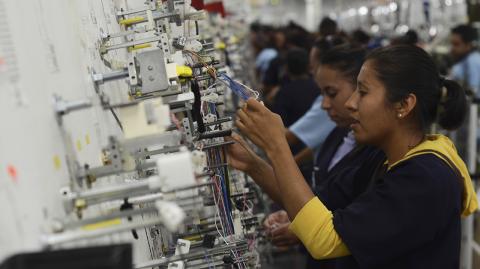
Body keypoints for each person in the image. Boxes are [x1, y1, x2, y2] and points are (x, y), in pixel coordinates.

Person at [234, 45, 478, 268]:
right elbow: (320, 206)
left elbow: (324, 238)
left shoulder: (424, 178)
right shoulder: (382, 159)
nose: (351, 103)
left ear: (403, 105)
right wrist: (252, 163)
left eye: (362, 92)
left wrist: (277, 146)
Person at [228, 46, 385, 268]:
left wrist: (276, 146)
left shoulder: (380, 160)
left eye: (332, 93)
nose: (324, 104)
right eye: (321, 94)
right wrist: (252, 164)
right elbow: (316, 200)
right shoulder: (340, 134)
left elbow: (330, 233)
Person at [450, 24, 480, 95]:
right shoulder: (465, 60)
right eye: (451, 44)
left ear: (468, 45)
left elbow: (472, 91)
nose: (452, 48)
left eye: (456, 44)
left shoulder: (472, 61)